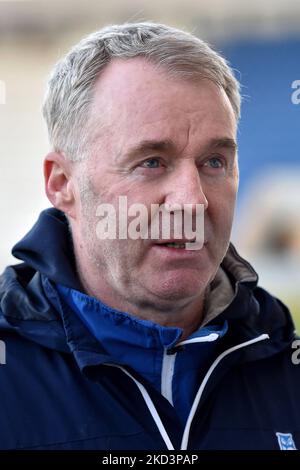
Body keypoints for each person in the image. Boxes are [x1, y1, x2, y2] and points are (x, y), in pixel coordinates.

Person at [0, 22, 299, 451]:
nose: (192, 201)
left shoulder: (283, 363)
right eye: (152, 161)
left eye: (214, 161)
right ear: (63, 182)